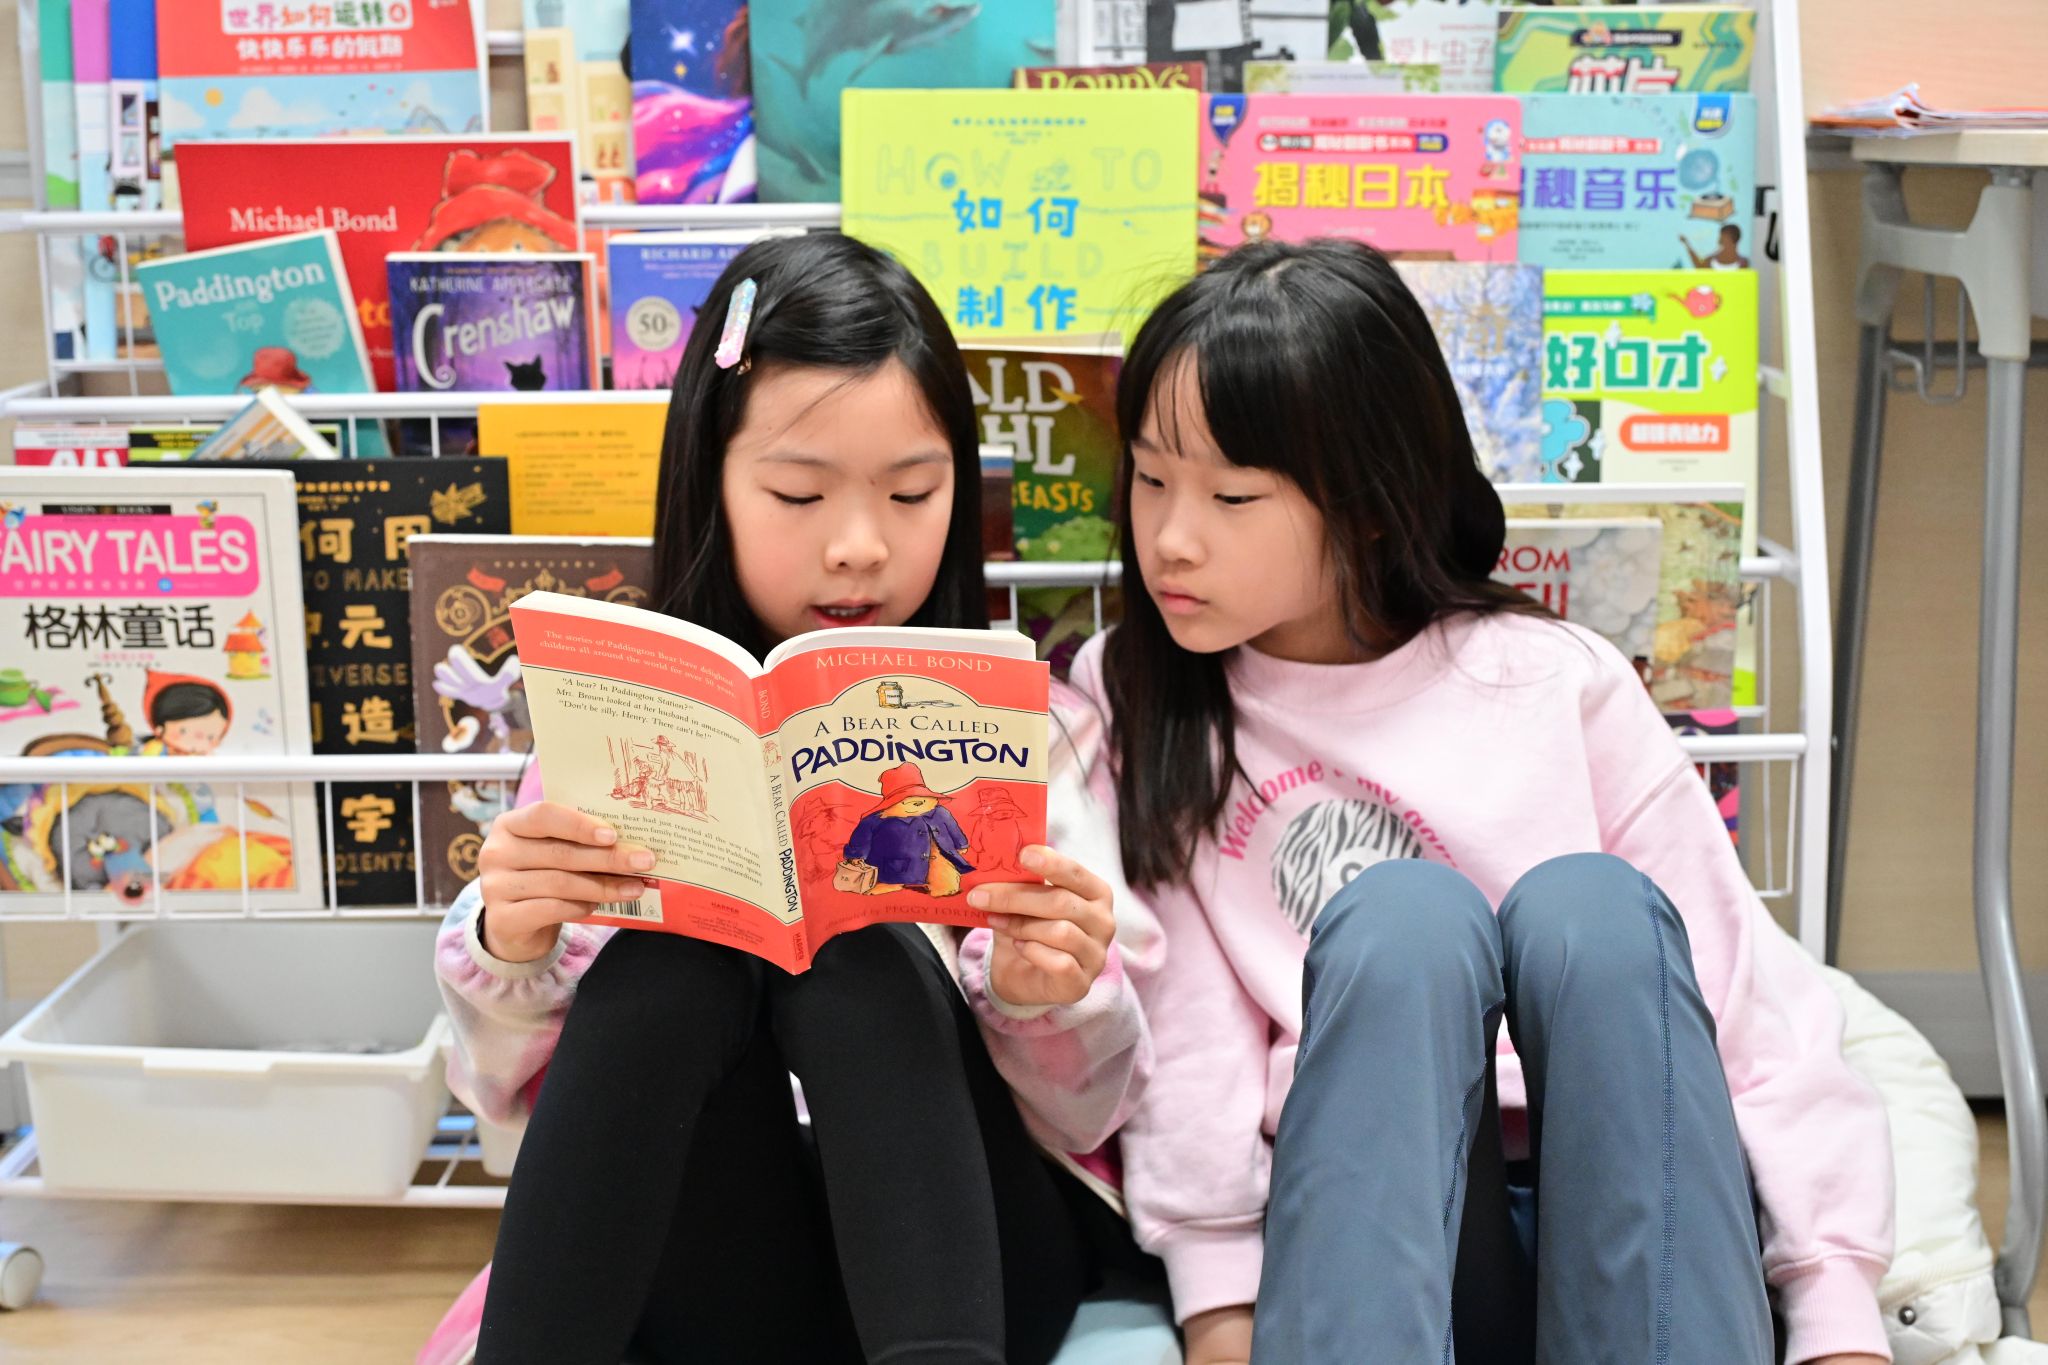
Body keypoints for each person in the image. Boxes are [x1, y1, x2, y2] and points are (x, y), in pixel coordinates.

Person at [1071, 238, 1893, 1365]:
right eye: (1151, 478)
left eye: (1231, 496)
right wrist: (1219, 1303)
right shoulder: (1142, 697)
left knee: (1594, 912)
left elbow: (1742, 1008)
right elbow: (1191, 1037)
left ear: (1369, 503)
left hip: (1620, 1210)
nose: (1170, 536)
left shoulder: (1556, 680)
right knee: (1404, 921)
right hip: (1372, 1228)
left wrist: (1837, 1314)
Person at [432, 233, 1157, 1365]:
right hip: (729, 1270)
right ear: (710, 483)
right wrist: (509, 943)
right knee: (670, 961)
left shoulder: (1040, 738)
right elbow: (503, 1097)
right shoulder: (610, 735)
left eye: (912, 493)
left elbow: (1092, 1113)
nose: (859, 545)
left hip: (978, 1257)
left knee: (859, 952)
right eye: (798, 493)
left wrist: (1043, 996)